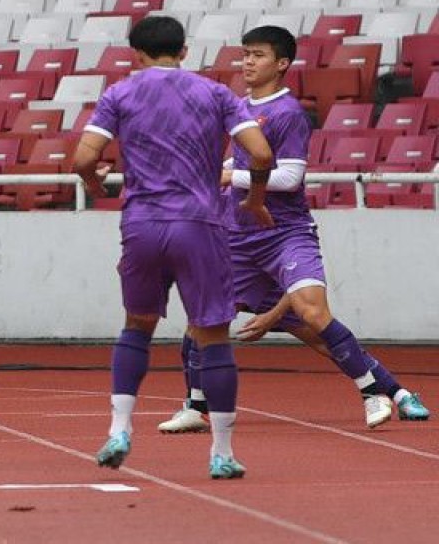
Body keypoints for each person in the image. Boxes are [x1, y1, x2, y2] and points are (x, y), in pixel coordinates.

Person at [157, 25, 429, 434]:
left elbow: (289, 178)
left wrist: (233, 178)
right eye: (245, 53)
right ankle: (195, 408)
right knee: (205, 317)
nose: (248, 61)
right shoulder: (238, 108)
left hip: (284, 233)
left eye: (258, 55)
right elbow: (240, 165)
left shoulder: (288, 113)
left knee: (312, 314)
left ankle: (375, 391)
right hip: (237, 238)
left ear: (282, 64)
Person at [73, 16, 275, 480]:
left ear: (136, 54)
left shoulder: (119, 93)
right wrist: (256, 197)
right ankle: (221, 452)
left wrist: (93, 182)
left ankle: (119, 428)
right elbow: (261, 154)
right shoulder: (216, 94)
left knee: (137, 326)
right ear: (184, 51)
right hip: (199, 223)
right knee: (212, 335)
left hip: (143, 223)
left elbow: (84, 158)